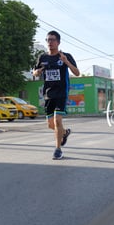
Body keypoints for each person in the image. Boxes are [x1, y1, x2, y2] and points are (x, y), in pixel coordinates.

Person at [33, 30, 80, 160]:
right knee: (50, 124)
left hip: (61, 93)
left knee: (57, 120)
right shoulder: (42, 58)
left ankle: (58, 149)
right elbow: (34, 72)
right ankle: (64, 133)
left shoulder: (65, 56)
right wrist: (37, 72)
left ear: (58, 42)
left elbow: (77, 73)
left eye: (52, 40)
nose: (50, 42)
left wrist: (67, 62)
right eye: (48, 40)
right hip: (48, 95)